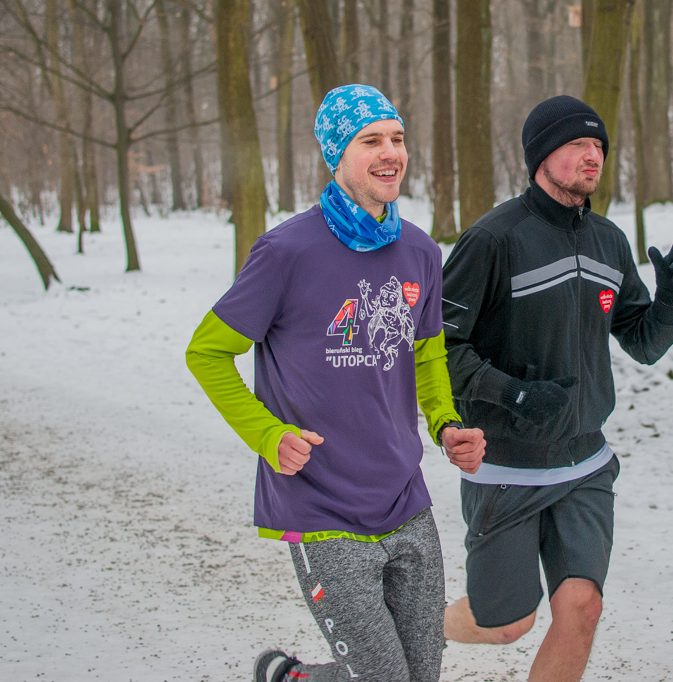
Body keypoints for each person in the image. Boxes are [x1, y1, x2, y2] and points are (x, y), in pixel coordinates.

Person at [185, 84, 486, 682]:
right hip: (319, 501)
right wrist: (268, 436)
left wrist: (446, 423)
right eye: (370, 140)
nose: (390, 152)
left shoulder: (421, 252)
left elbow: (427, 357)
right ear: (337, 154)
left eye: (397, 139)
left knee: (419, 676)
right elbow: (207, 353)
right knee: (383, 678)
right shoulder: (285, 251)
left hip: (404, 495)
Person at [439, 95, 673, 682]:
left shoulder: (609, 241)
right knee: (506, 622)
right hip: (506, 466)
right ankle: (415, 624)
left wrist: (669, 299)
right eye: (577, 145)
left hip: (584, 461)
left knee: (582, 608)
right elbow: (436, 349)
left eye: (599, 146)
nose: (592, 156)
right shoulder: (493, 238)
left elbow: (642, 341)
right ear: (540, 157)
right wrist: (512, 395)